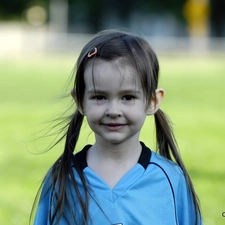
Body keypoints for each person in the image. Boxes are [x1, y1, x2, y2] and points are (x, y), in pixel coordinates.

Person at [31, 29, 203, 225]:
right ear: (80, 100)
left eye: (128, 97)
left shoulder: (172, 179)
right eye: (99, 97)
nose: (113, 110)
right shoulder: (61, 179)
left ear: (152, 101)